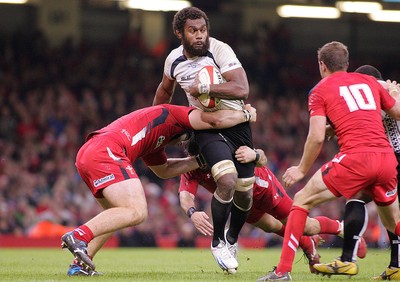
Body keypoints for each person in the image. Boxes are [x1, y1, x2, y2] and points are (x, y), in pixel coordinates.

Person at [256, 41, 400, 281]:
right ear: (347, 64)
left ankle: (282, 272)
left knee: (301, 200)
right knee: (391, 219)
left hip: (356, 157)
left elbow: (316, 136)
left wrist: (301, 169)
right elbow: (396, 113)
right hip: (387, 159)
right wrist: (394, 94)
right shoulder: (368, 82)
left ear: (322, 65)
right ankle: (360, 262)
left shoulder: (320, 89)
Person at [60, 103, 256, 276]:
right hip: (107, 150)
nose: (182, 144)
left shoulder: (156, 141)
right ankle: (78, 236)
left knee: (114, 215)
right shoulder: (175, 114)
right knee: (137, 211)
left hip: (89, 152)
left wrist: (198, 161)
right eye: (184, 140)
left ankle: (80, 265)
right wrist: (245, 114)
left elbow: (164, 170)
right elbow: (213, 120)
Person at [153, 7, 254, 273]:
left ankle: (231, 238)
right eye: (193, 31)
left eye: (203, 30)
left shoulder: (220, 50)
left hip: (237, 124)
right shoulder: (173, 60)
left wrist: (206, 88)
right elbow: (164, 91)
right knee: (227, 180)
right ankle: (218, 241)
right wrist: (156, 126)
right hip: (205, 127)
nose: (200, 36)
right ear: (179, 33)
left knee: (245, 193)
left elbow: (242, 89)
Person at [179, 142, 367, 273]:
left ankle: (344, 229)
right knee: (273, 227)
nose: (201, 163)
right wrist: (192, 212)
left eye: (202, 159)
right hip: (244, 203)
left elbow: (262, 158)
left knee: (306, 226)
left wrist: (254, 154)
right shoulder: (192, 166)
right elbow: (185, 195)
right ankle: (308, 245)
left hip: (264, 189)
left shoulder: (225, 147)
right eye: (196, 159)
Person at [314, 65, 400, 280]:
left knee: (358, 198)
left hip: (387, 158)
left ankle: (347, 259)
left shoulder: (370, 91)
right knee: (389, 214)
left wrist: (329, 127)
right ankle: (396, 266)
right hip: (388, 159)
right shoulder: (388, 92)